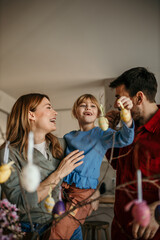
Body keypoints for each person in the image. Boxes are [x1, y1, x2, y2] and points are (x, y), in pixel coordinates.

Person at [0, 93, 87, 240]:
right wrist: (58, 174)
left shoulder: (61, 144)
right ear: (31, 115)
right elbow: (21, 203)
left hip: (68, 222)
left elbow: (91, 154)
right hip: (33, 229)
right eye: (48, 107)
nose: (55, 112)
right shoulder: (8, 154)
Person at [49, 93, 135, 240]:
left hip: (82, 194)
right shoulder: (69, 136)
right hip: (63, 190)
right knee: (70, 230)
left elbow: (125, 138)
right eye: (83, 105)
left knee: (59, 231)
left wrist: (126, 118)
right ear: (76, 112)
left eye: (93, 106)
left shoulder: (101, 133)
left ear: (98, 114)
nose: (88, 107)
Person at [106, 67, 160, 240]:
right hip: (120, 231)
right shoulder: (127, 130)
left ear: (138, 98)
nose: (115, 105)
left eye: (119, 98)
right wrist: (109, 133)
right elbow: (116, 162)